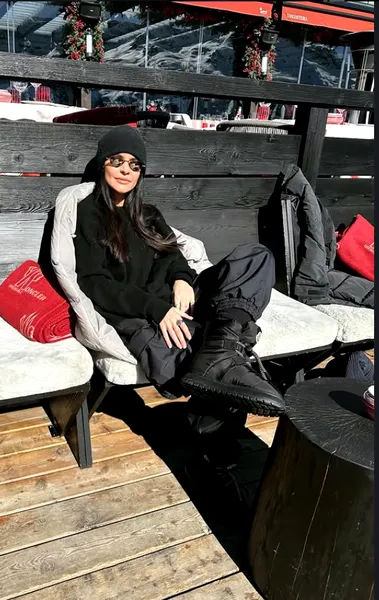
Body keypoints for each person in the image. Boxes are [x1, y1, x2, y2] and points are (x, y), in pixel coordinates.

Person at [71, 125, 285, 418]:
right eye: (117, 160)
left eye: (134, 165)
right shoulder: (88, 214)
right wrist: (156, 309)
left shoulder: (148, 214)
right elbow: (93, 283)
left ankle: (219, 353)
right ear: (102, 164)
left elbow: (173, 255)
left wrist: (182, 279)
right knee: (208, 370)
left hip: (183, 298)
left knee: (256, 256)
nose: (125, 170)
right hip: (147, 312)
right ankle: (217, 383)